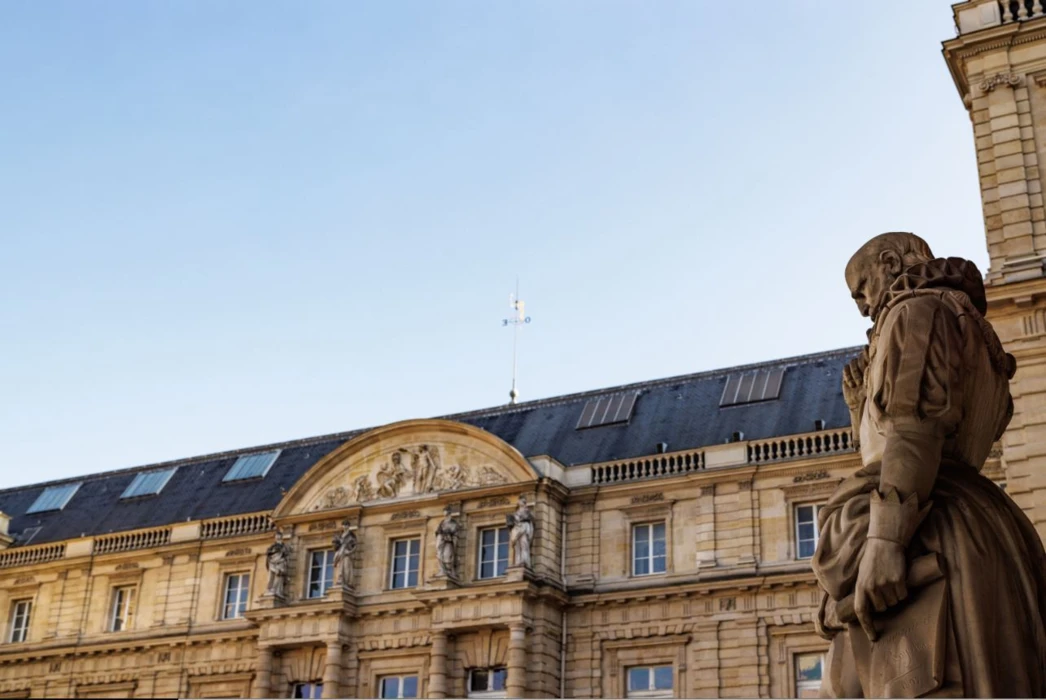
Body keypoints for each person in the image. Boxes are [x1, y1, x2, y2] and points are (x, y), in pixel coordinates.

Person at [813, 232, 1046, 697]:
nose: (862, 307)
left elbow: (914, 428)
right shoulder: (977, 334)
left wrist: (885, 540)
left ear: (890, 261)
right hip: (974, 521)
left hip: (922, 523)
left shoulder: (915, 311)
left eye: (862, 289)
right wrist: (863, 407)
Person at [508, 495, 534, 568]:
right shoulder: (516, 512)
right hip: (517, 529)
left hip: (524, 527)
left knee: (524, 544)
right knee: (517, 546)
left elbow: (531, 519)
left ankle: (524, 561)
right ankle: (518, 561)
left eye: (522, 501)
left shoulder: (527, 511)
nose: (520, 502)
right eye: (520, 501)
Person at [435, 505, 460, 578]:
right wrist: (441, 535)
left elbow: (455, 533)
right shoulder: (442, 523)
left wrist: (450, 536)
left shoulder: (453, 523)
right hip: (442, 541)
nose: (445, 515)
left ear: (449, 513)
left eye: (447, 513)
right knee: (440, 555)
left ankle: (449, 571)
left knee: (448, 556)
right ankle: (442, 570)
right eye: (444, 513)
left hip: (448, 542)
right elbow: (438, 531)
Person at [265, 529, 289, 598]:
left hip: (280, 561)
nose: (278, 537)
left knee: (279, 576)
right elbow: (268, 553)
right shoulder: (272, 546)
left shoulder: (283, 546)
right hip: (273, 562)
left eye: (279, 535)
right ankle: (270, 589)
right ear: (275, 537)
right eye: (276, 536)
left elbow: (286, 553)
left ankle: (277, 590)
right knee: (271, 577)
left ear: (281, 537)